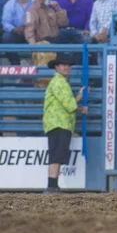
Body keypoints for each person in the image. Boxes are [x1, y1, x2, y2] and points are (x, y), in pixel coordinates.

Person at [43, 53, 88, 193]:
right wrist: (81, 108)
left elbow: (67, 103)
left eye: (68, 65)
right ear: (57, 67)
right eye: (64, 65)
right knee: (57, 156)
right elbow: (70, 106)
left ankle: (53, 185)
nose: (67, 67)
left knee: (56, 155)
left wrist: (78, 98)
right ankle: (52, 186)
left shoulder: (58, 82)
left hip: (57, 123)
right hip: (59, 123)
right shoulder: (60, 82)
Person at [1, 0, 35, 64]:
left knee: (44, 37)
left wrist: (32, 28)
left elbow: (41, 19)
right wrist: (14, 29)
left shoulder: (35, 3)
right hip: (17, 33)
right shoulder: (9, 4)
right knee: (6, 38)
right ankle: (16, 65)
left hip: (33, 32)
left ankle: (38, 65)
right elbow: (5, 22)